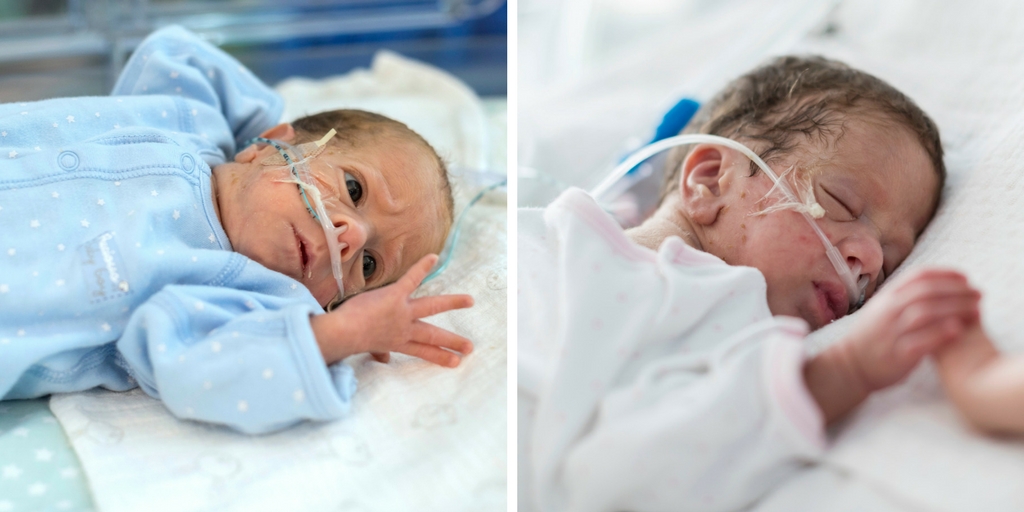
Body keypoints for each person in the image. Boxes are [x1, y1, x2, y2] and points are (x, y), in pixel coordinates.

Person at [518, 56, 980, 511]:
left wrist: (841, 373)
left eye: (889, 263)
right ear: (710, 180)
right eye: (841, 201)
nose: (870, 259)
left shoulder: (738, 330)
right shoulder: (546, 232)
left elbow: (623, 479)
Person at [0, 26, 473, 434]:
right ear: (273, 143)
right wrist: (251, 139)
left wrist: (336, 336)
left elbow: (208, 375)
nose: (349, 237)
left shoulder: (246, 299)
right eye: (353, 187)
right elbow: (177, 50)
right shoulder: (195, 121)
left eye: (369, 265)